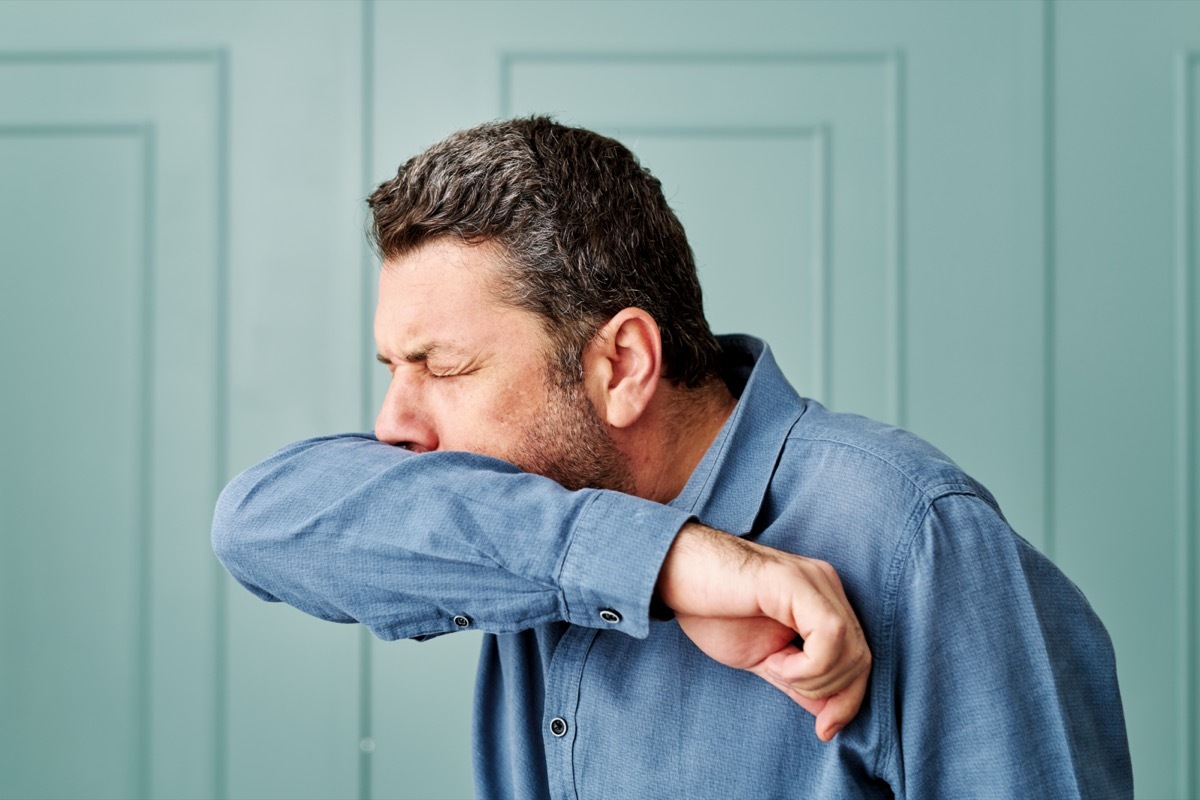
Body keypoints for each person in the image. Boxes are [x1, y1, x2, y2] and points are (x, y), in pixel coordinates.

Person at [212, 117, 1132, 798]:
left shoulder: (911, 539)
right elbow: (257, 523)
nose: (394, 428)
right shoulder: (521, 521)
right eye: (392, 368)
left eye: (442, 368)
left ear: (622, 365)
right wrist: (678, 560)